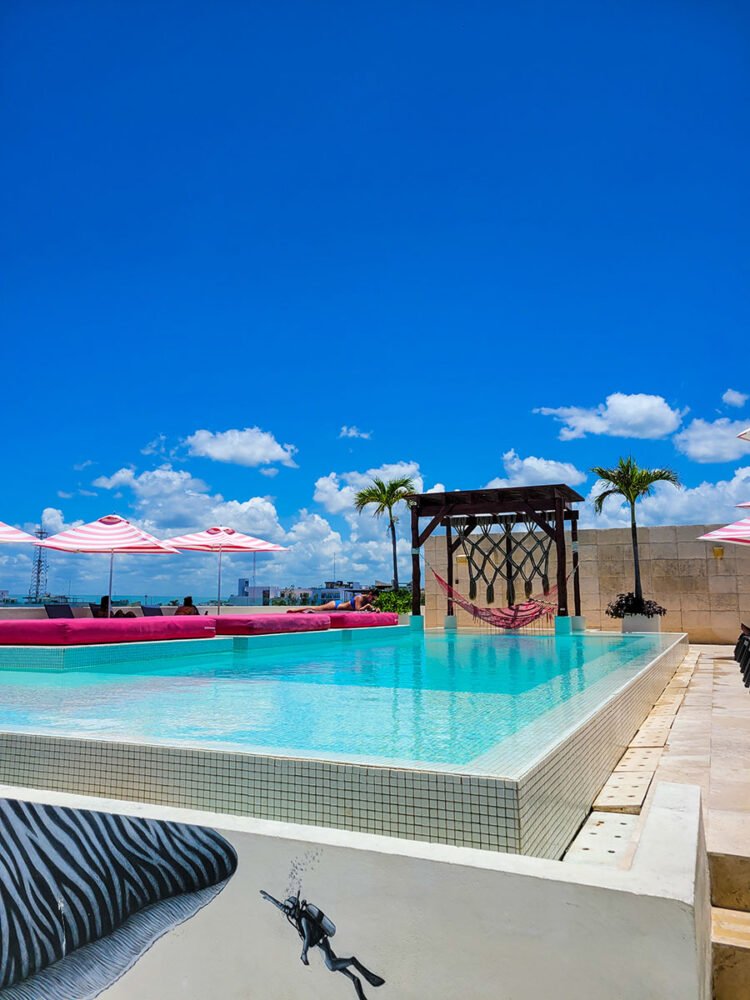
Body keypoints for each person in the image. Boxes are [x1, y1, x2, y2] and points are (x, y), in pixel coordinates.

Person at [290, 591, 379, 613]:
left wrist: (375, 609)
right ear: (370, 594)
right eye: (373, 599)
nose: (373, 601)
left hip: (340, 604)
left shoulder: (366, 601)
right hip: (336, 605)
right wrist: (368, 606)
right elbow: (358, 610)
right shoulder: (359, 598)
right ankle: (294, 611)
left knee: (315, 610)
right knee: (315, 608)